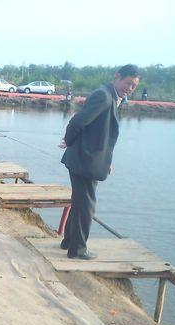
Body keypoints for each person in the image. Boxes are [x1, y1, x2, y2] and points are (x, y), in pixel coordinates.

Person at [59, 64, 140, 260]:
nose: (130, 88)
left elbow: (101, 135)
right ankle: (78, 250)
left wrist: (106, 160)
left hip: (90, 158)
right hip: (83, 159)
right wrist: (67, 141)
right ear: (117, 77)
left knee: (80, 202)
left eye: (134, 86)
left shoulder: (112, 97)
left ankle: (69, 241)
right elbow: (77, 121)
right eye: (128, 83)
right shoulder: (104, 96)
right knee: (86, 205)